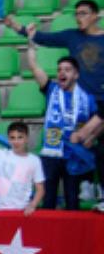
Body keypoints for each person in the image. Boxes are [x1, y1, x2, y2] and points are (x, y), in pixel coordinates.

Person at [18, 0, 104, 200]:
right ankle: (90, 184)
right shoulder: (52, 87)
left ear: (95, 16)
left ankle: (93, 185)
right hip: (57, 144)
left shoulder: (87, 97)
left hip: (93, 114)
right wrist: (23, 32)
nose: (78, 17)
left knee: (93, 144)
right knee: (86, 144)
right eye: (76, 13)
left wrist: (86, 133)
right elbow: (42, 44)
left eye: (83, 13)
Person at [29, 45, 101, 210]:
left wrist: (91, 137)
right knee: (48, 202)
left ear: (76, 75)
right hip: (50, 154)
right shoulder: (51, 89)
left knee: (72, 201)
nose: (62, 73)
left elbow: (99, 121)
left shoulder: (88, 97)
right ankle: (47, 235)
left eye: (67, 70)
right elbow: (34, 67)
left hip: (74, 155)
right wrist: (31, 46)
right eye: (59, 69)